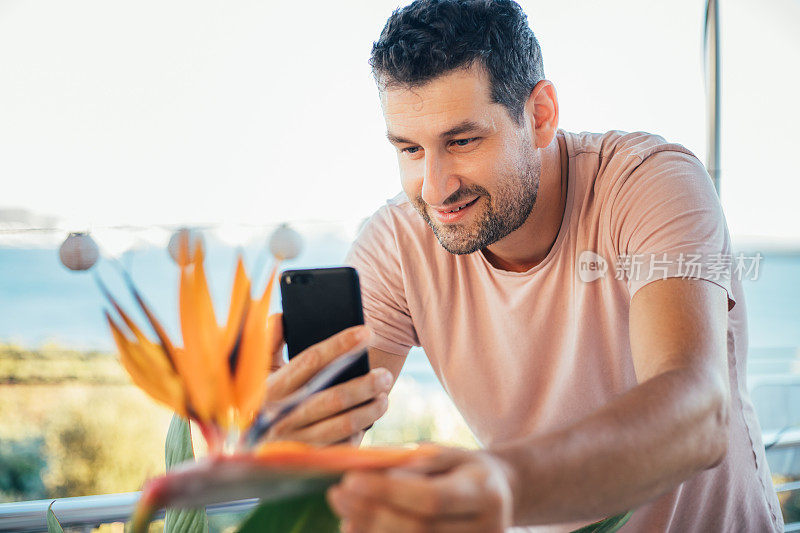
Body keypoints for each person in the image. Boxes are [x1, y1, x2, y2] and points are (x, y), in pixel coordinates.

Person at [263, 0, 782, 531]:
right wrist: (297, 436)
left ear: (540, 115)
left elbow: (697, 415)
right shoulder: (396, 244)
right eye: (411, 150)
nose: (436, 187)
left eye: (462, 141)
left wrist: (498, 486)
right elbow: (334, 429)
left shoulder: (649, 184)